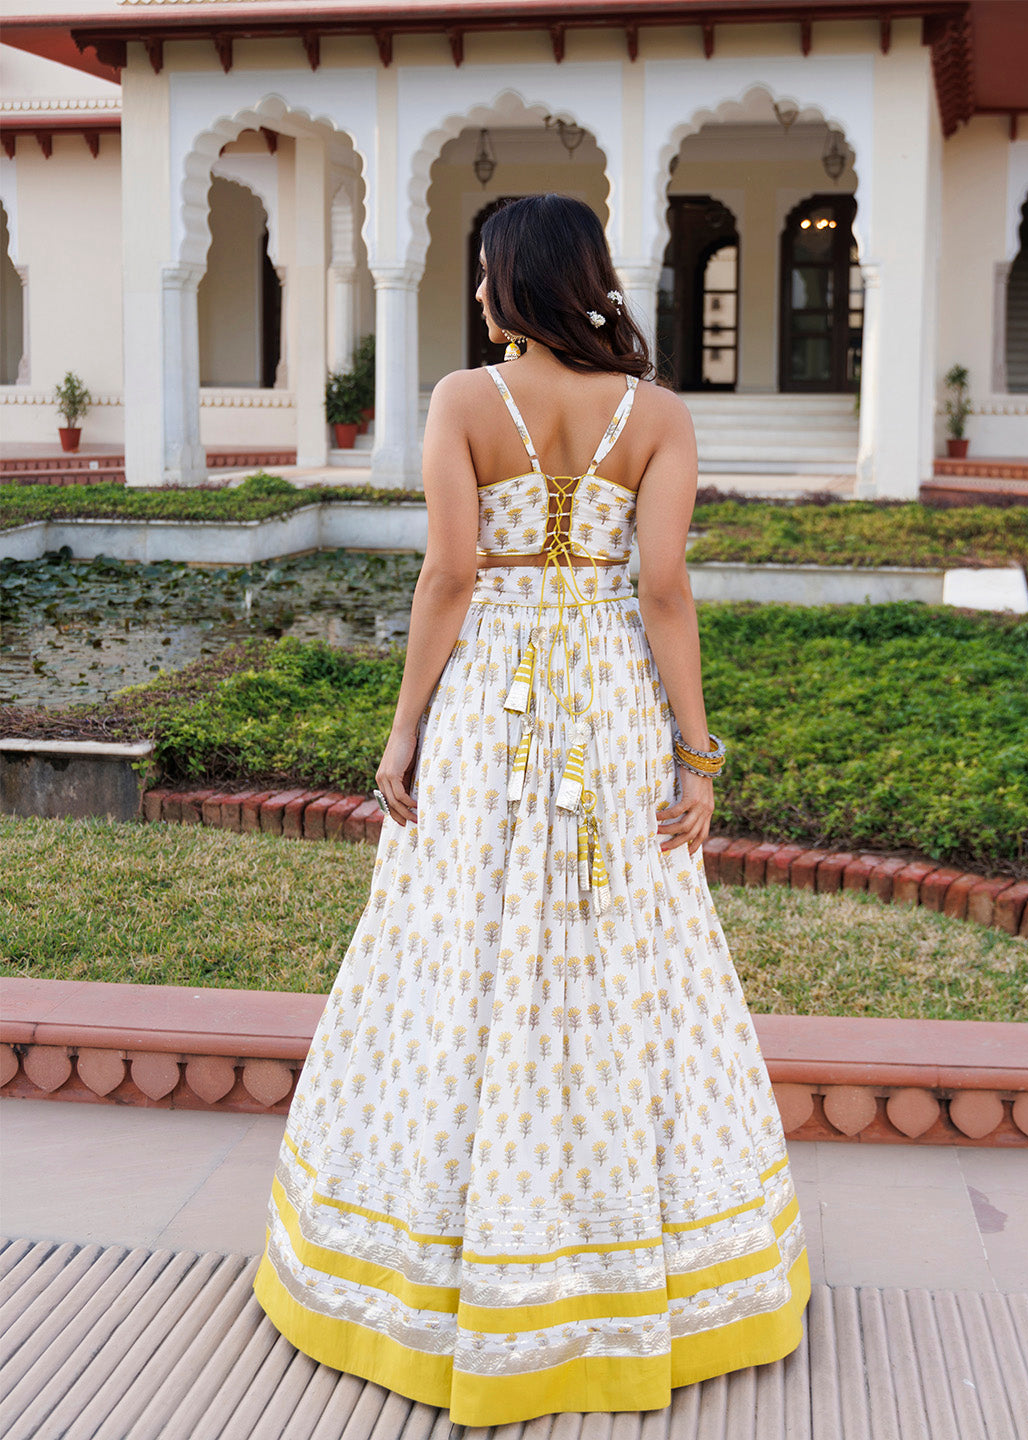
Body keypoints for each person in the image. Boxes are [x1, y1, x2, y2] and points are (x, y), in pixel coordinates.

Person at [252, 193, 810, 1429]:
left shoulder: (463, 401)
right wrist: (697, 754)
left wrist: (404, 730)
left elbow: (450, 573)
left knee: (464, 937)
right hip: (607, 700)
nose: (480, 290)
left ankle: (446, 1258)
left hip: (494, 697)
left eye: (487, 270)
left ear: (514, 281)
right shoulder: (658, 416)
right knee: (615, 935)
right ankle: (625, 1255)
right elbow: (662, 587)